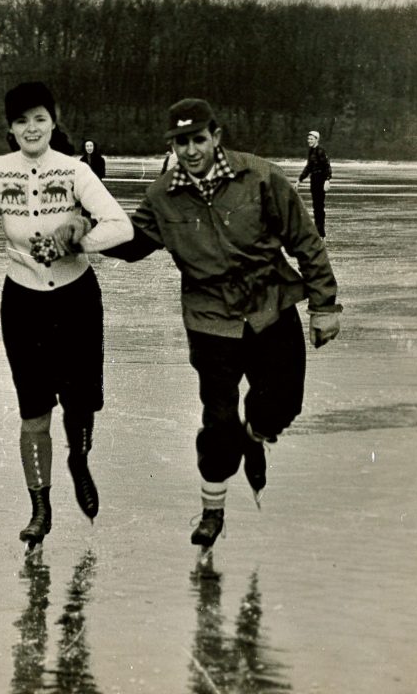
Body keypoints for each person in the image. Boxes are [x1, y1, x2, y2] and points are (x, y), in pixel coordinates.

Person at [104, 98, 342, 548]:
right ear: (172, 146)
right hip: (210, 318)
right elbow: (133, 242)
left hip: (270, 306)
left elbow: (304, 239)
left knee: (282, 404)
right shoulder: (162, 195)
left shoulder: (260, 176)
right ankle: (212, 512)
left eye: (198, 139)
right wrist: (83, 232)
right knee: (218, 421)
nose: (191, 150)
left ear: (216, 136)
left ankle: (255, 437)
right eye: (181, 143)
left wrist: (324, 305)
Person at [0, 82, 133, 547]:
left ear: (53, 122)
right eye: (21, 120)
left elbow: (121, 226)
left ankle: (79, 461)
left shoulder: (75, 169)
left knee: (80, 401)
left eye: (40, 119)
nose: (31, 128)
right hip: (22, 302)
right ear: (10, 127)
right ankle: (39, 507)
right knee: (34, 409)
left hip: (75, 299)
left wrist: (76, 241)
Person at [297, 129, 332, 237]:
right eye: (308, 139)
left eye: (311, 139)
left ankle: (321, 232)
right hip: (314, 180)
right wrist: (300, 179)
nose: (309, 141)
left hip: (321, 180)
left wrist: (327, 180)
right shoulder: (311, 151)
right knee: (316, 206)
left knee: (319, 207)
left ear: (317, 139)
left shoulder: (320, 151)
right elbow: (309, 167)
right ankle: (318, 229)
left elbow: (327, 166)